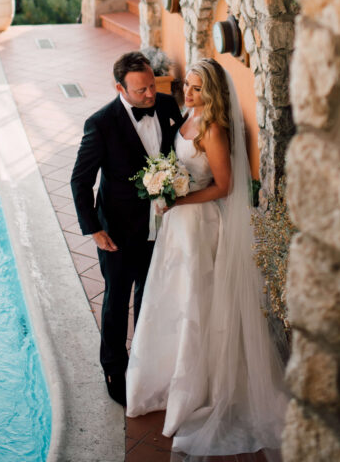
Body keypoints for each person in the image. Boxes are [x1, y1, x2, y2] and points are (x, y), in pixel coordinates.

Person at [126, 58, 288, 459]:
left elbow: (224, 185)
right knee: (172, 300)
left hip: (200, 226)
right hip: (178, 227)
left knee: (196, 302)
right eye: (188, 86)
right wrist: (164, 187)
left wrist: (178, 196)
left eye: (197, 88)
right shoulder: (186, 116)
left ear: (212, 92)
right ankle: (164, 381)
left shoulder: (213, 129)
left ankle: (201, 390)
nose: (189, 93)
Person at [70, 50, 183, 407]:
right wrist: (94, 229)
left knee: (150, 297)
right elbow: (80, 180)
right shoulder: (100, 124)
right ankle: (114, 367)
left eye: (152, 85)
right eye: (141, 91)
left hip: (162, 227)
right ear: (120, 87)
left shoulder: (166, 106)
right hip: (117, 231)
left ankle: (149, 362)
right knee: (117, 301)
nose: (150, 94)